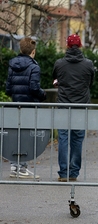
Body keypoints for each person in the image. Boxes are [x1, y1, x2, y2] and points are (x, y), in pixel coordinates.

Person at [52, 34, 95, 182]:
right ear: (81, 45)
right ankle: (73, 173)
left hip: (64, 104)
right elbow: (90, 83)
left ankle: (63, 172)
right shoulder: (88, 64)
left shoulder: (59, 63)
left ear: (67, 46)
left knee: (63, 137)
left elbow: (56, 78)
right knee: (77, 139)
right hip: (81, 106)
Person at [5, 37, 46, 178]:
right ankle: (22, 168)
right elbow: (34, 88)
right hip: (30, 105)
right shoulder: (34, 67)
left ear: (21, 49)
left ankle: (14, 166)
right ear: (33, 51)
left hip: (16, 104)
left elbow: (8, 88)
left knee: (15, 136)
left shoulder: (12, 64)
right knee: (27, 137)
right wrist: (43, 95)